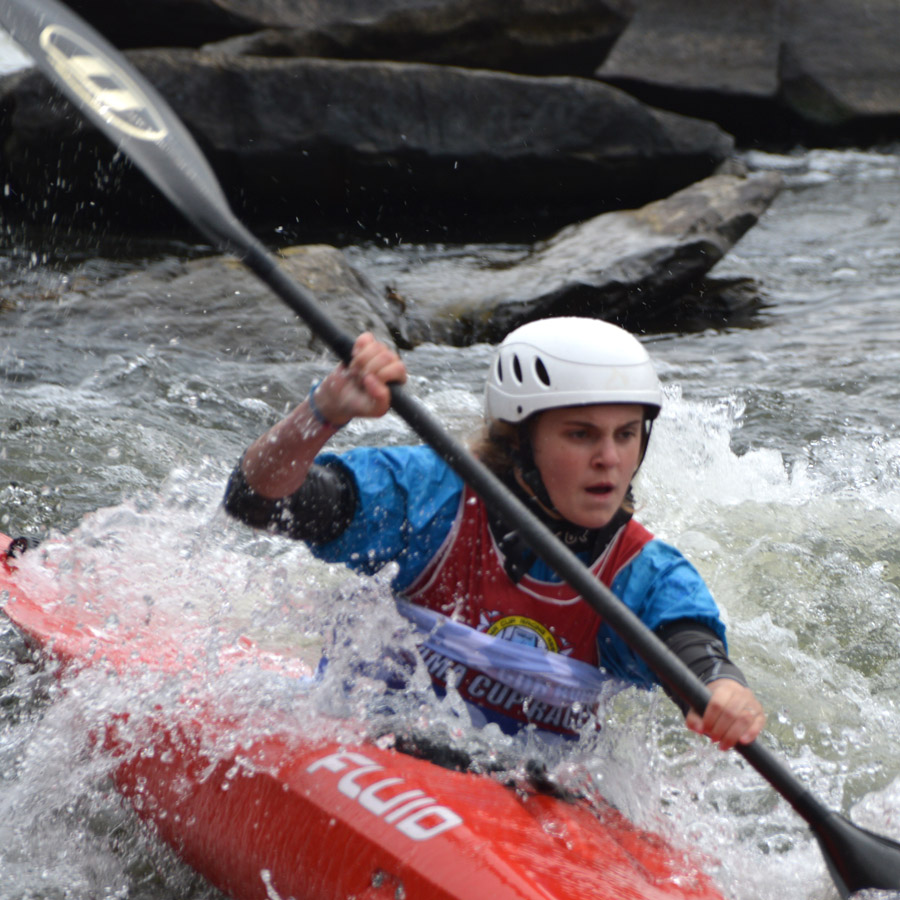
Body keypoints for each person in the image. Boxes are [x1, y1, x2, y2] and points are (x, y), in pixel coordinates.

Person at [224, 317, 765, 749]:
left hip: (522, 797)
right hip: (366, 746)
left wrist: (723, 688)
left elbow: (694, 648)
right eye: (581, 435)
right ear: (519, 441)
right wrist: (321, 412)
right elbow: (256, 501)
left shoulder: (642, 573)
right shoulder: (430, 498)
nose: (610, 459)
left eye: (626, 435)